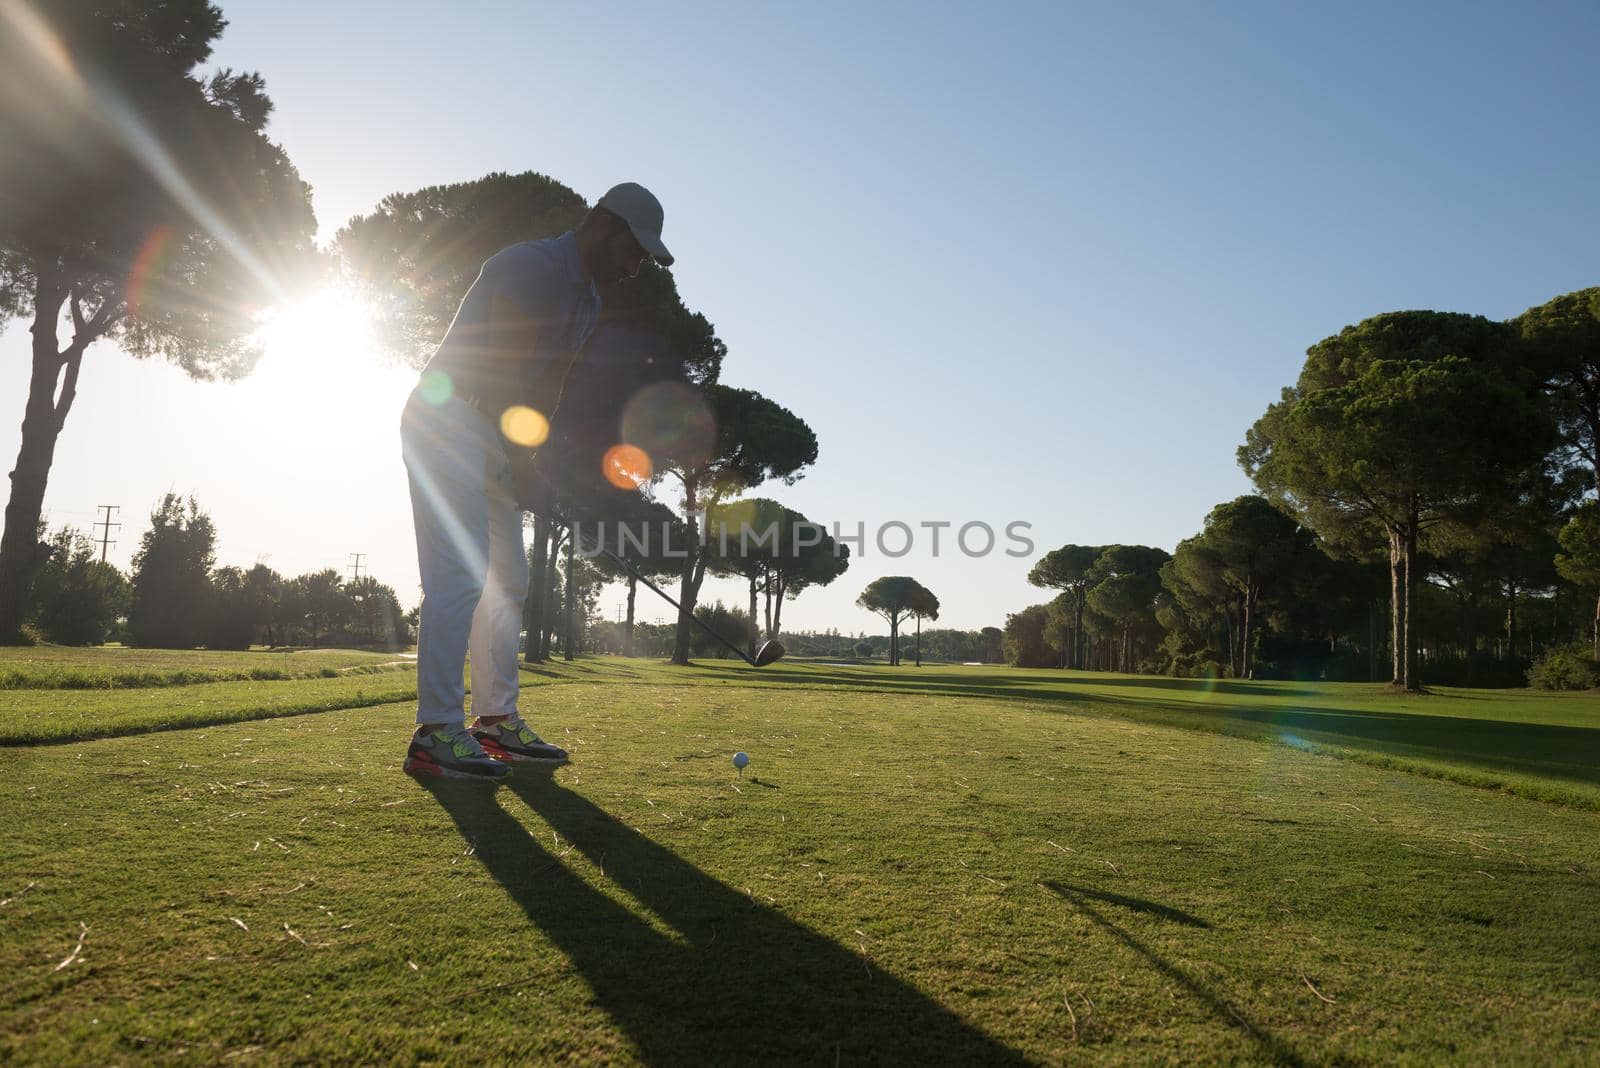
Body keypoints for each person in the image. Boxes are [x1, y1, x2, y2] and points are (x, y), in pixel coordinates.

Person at [399, 183, 674, 780]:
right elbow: (502, 364)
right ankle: (435, 731)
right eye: (634, 252)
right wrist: (522, 468)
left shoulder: (589, 302)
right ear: (604, 226)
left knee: (509, 581)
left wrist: (535, 463)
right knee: (460, 576)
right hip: (446, 418)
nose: (635, 269)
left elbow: (545, 388)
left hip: (492, 432)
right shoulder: (530, 265)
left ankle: (495, 722)